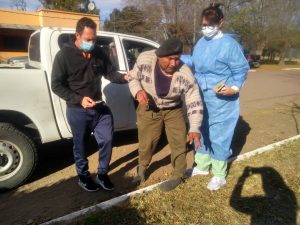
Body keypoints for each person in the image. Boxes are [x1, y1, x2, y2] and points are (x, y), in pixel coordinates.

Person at [51, 17, 127, 192]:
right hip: (78, 110)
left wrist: (124, 78)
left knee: (107, 139)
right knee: (81, 145)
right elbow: (56, 85)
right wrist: (79, 99)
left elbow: (110, 73)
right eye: (88, 40)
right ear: (77, 35)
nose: (92, 43)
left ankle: (102, 174)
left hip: (99, 108)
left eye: (94, 39)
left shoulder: (98, 52)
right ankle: (83, 177)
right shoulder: (64, 55)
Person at [181, 3, 249, 191]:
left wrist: (233, 88)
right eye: (203, 25)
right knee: (201, 130)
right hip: (201, 95)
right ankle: (202, 166)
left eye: (210, 25)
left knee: (219, 135)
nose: (206, 29)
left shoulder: (229, 45)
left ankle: (219, 174)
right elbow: (195, 63)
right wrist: (177, 57)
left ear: (221, 23)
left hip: (222, 99)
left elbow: (241, 69)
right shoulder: (201, 43)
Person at [128, 38, 203, 192]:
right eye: (170, 59)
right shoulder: (145, 59)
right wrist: (138, 91)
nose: (174, 64)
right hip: (149, 106)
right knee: (147, 142)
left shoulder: (185, 73)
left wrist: (195, 126)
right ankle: (141, 169)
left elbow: (194, 99)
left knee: (179, 142)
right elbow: (133, 77)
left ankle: (178, 175)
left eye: (177, 59)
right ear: (159, 55)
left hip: (173, 109)